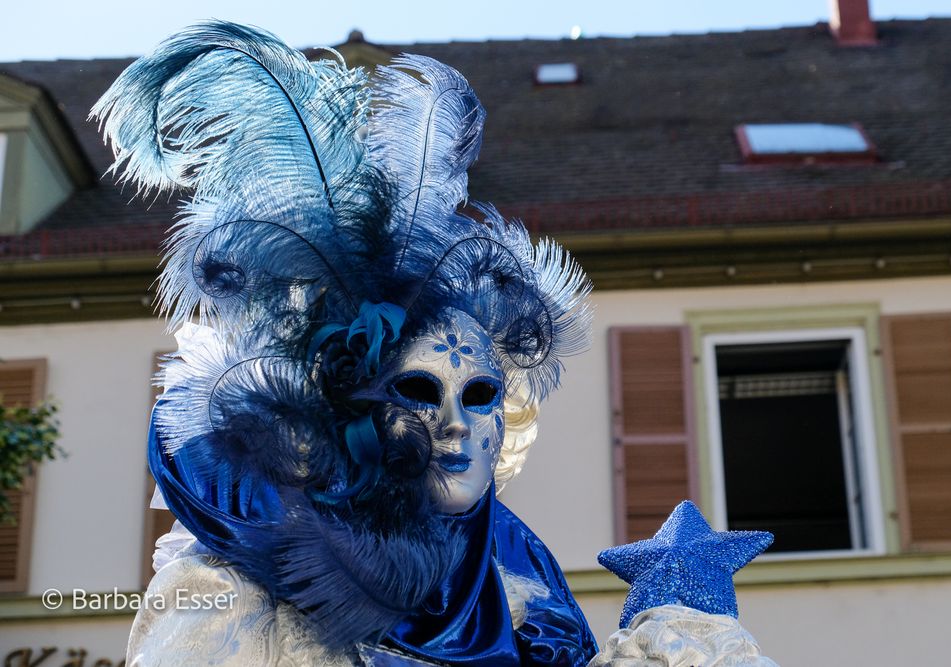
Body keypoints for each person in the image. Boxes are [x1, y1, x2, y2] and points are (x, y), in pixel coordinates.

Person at [94, 20, 598, 666]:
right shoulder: (231, 597)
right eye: (417, 390)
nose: (453, 425)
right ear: (357, 412)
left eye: (480, 395)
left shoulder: (534, 603)